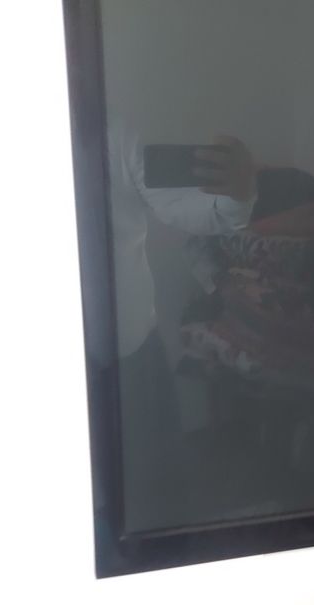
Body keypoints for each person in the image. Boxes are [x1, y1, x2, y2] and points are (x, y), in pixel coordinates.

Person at [94, 122, 258, 533]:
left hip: (132, 356)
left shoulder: (116, 134)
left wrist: (239, 195)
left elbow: (191, 210)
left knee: (160, 503)